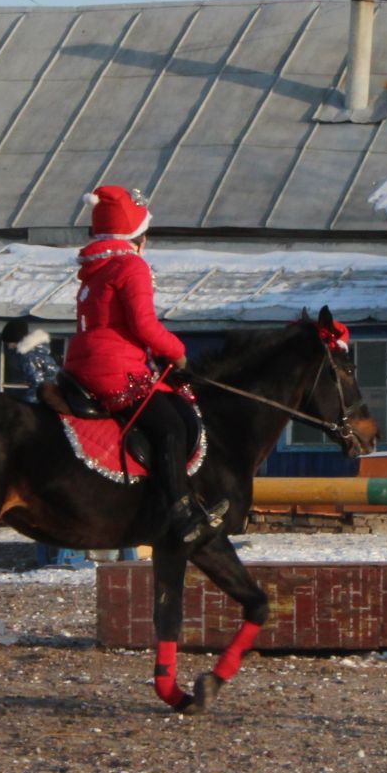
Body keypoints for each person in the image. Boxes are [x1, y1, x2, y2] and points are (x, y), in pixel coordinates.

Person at [61, 185, 224, 548]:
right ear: (137, 235)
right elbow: (144, 326)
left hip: (83, 364)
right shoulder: (130, 265)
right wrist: (179, 353)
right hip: (115, 370)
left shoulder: (94, 268)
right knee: (172, 425)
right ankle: (180, 511)